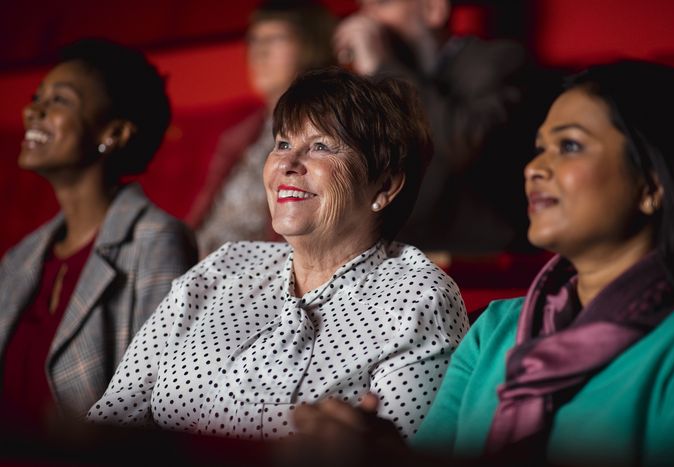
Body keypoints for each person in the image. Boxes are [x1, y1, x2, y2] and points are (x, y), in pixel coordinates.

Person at [286, 60, 674, 467]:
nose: (535, 168)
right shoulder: (497, 328)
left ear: (651, 184)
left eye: (570, 146)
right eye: (539, 149)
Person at [87, 67, 468, 440]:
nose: (286, 163)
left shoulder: (418, 299)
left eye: (320, 146)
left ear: (385, 185)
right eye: (283, 143)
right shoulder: (226, 266)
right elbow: (113, 418)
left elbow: (400, 459)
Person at [0, 39, 198, 425]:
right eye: (37, 96)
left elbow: (160, 405)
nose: (32, 111)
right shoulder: (19, 257)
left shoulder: (156, 241)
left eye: (60, 100)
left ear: (115, 133)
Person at [334, 0, 546, 254]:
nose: (368, 22)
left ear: (433, 9)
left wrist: (383, 67)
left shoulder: (499, 60)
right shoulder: (376, 81)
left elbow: (468, 144)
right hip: (394, 261)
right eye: (364, 8)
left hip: (479, 263)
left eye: (382, 4)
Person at [189, 0, 337, 255]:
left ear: (310, 45)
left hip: (261, 272)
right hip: (202, 263)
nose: (259, 52)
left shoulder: (332, 126)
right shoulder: (241, 133)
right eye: (254, 41)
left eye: (275, 39)